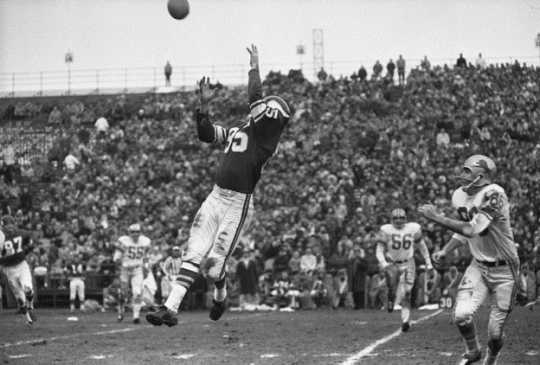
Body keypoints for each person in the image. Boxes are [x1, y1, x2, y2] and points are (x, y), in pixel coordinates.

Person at [146, 44, 292, 327]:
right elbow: (206, 134)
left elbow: (254, 96)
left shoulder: (266, 139)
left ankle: (221, 295)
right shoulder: (240, 129)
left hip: (238, 203)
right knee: (194, 251)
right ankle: (170, 308)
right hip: (215, 197)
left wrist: (254, 66)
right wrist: (203, 107)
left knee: (213, 265)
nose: (264, 108)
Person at [419, 155, 528, 365]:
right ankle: (473, 350)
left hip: (505, 270)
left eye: (466, 171)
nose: (461, 174)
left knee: (495, 335)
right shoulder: (459, 195)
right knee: (461, 315)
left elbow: (473, 229)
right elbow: (464, 230)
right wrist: (445, 250)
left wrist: (436, 217)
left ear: (481, 175)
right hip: (478, 265)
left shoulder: (495, 193)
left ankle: (491, 357)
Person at [376, 208, 433, 332]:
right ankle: (391, 298)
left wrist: (428, 262)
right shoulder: (386, 230)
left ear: (405, 219)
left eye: (401, 218)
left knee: (407, 292)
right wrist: (384, 263)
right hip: (392, 264)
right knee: (391, 288)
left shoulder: (413, 228)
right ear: (391, 219)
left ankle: (405, 320)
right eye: (396, 218)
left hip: (408, 263)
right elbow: (379, 250)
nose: (398, 220)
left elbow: (422, 247)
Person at [0, 216, 36, 324]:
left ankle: (30, 308)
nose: (10, 227)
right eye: (7, 224)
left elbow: (30, 242)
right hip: (8, 269)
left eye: (11, 224)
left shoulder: (21, 233)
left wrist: (24, 252)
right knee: (20, 298)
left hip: (21, 265)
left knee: (28, 288)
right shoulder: (1, 237)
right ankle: (28, 319)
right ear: (3, 226)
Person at [113, 223, 151, 324]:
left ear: (140, 232)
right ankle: (121, 312)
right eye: (133, 232)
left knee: (137, 292)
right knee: (123, 293)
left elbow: (146, 257)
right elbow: (117, 257)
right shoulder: (123, 241)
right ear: (129, 233)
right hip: (124, 269)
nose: (135, 234)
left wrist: (146, 268)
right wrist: (118, 267)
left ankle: (136, 316)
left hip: (137, 269)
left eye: (137, 232)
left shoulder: (145, 241)